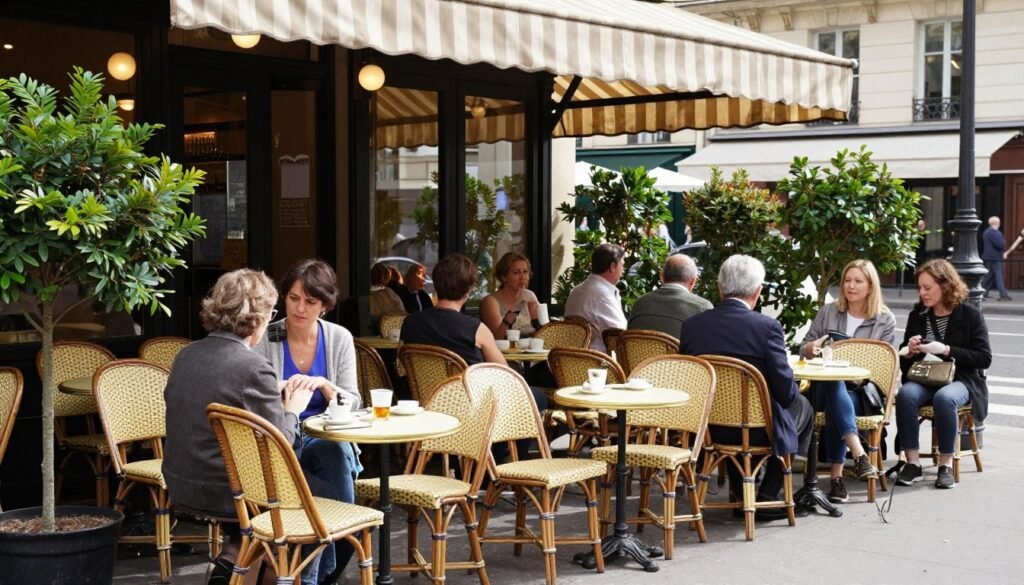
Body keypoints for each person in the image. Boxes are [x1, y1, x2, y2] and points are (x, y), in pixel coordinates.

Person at [163, 269, 316, 584]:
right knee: (322, 496)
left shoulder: (185, 355)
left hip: (181, 482)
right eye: (271, 314)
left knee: (255, 517)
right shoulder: (253, 368)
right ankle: (262, 570)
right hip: (228, 492)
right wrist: (293, 408)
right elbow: (281, 444)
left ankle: (232, 563)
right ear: (259, 317)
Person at [254, 259, 364, 584]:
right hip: (282, 437)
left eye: (310, 301)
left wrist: (326, 387)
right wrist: (285, 390)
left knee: (335, 457)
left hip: (325, 436)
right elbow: (254, 394)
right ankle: (318, 577)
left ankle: (314, 577)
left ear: (325, 305)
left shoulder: (338, 338)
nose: (299, 308)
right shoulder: (268, 336)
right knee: (329, 502)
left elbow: (353, 402)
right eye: (293, 298)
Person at [678, 255, 813, 519]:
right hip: (756, 430)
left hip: (707, 429)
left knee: (741, 413)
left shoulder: (692, 326)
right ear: (757, 292)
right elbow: (786, 394)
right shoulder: (767, 328)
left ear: (720, 288)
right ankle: (767, 496)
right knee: (802, 407)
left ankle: (741, 494)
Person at [798, 259, 895, 502]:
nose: (851, 286)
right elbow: (803, 348)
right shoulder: (829, 311)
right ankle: (858, 453)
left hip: (863, 392)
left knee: (839, 400)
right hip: (824, 387)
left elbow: (885, 364)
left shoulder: (884, 320)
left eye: (858, 281)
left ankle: (837, 480)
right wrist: (813, 347)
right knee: (834, 381)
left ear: (870, 286)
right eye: (847, 281)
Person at [895, 259, 992, 489]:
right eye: (920, 287)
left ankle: (945, 465)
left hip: (961, 379)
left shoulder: (969, 314)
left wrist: (947, 350)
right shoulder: (918, 314)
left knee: (945, 398)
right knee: (906, 394)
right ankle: (912, 463)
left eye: (928, 287)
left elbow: (984, 358)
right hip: (926, 376)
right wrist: (910, 350)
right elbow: (905, 358)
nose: (923, 293)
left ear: (946, 285)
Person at [627, 254, 712, 338]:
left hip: (639, 347)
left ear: (662, 276)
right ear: (693, 281)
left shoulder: (640, 303)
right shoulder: (703, 308)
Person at [564, 243, 627, 352]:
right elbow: (620, 333)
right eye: (622, 265)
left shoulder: (576, 291)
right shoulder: (603, 295)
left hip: (572, 358)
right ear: (612, 267)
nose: (623, 270)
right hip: (598, 359)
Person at [480, 252, 540, 340]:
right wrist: (506, 322)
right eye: (516, 273)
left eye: (525, 272)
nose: (523, 277)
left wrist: (535, 309)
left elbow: (543, 332)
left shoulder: (529, 296)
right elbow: (496, 339)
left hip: (530, 347)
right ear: (503, 277)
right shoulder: (490, 301)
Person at [981, 216, 1012, 301]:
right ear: (996, 223)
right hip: (995, 258)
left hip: (989, 257)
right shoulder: (994, 233)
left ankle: (982, 293)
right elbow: (1001, 245)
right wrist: (1004, 242)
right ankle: (1003, 295)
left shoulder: (986, 232)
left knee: (989, 276)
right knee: (998, 276)